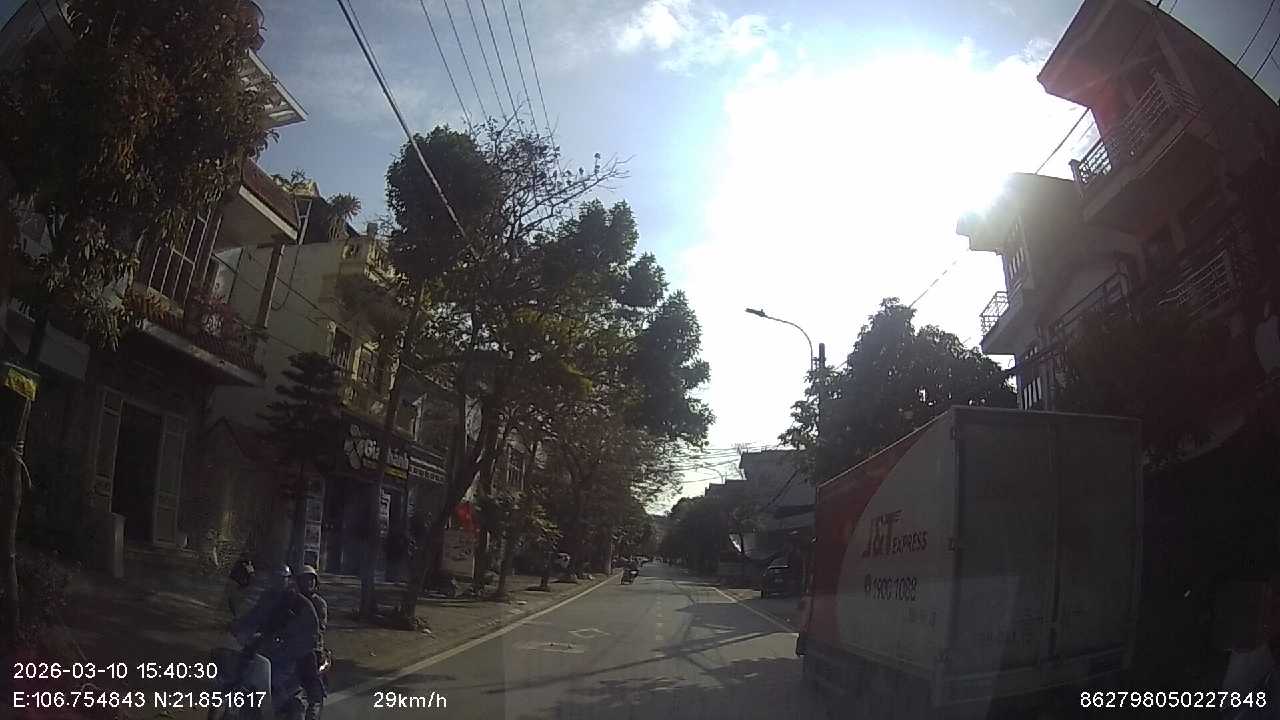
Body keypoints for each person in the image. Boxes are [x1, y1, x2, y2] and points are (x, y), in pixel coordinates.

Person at [232, 565, 322, 719]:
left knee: (300, 680)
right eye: (275, 579)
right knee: (244, 662)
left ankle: (310, 703)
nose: (278, 582)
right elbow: (254, 615)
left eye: (282, 579)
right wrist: (238, 626)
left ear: (288, 580)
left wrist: (290, 641)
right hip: (268, 647)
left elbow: (311, 629)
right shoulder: (267, 598)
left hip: (290, 651)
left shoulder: (300, 602)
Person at [225, 555, 255, 620]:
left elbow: (251, 576)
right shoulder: (240, 564)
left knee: (235, 601)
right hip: (238, 584)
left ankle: (236, 616)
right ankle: (235, 616)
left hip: (240, 585)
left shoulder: (247, 566)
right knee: (232, 600)